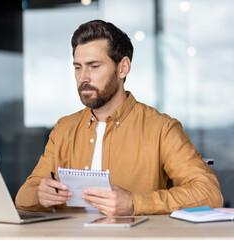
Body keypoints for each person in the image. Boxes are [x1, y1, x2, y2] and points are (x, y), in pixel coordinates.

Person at [15, 19, 223, 216]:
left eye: (94, 66)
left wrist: (134, 203)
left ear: (123, 68)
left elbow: (209, 193)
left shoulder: (161, 128)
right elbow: (23, 197)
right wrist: (39, 195)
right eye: (77, 67)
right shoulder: (64, 129)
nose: (82, 77)